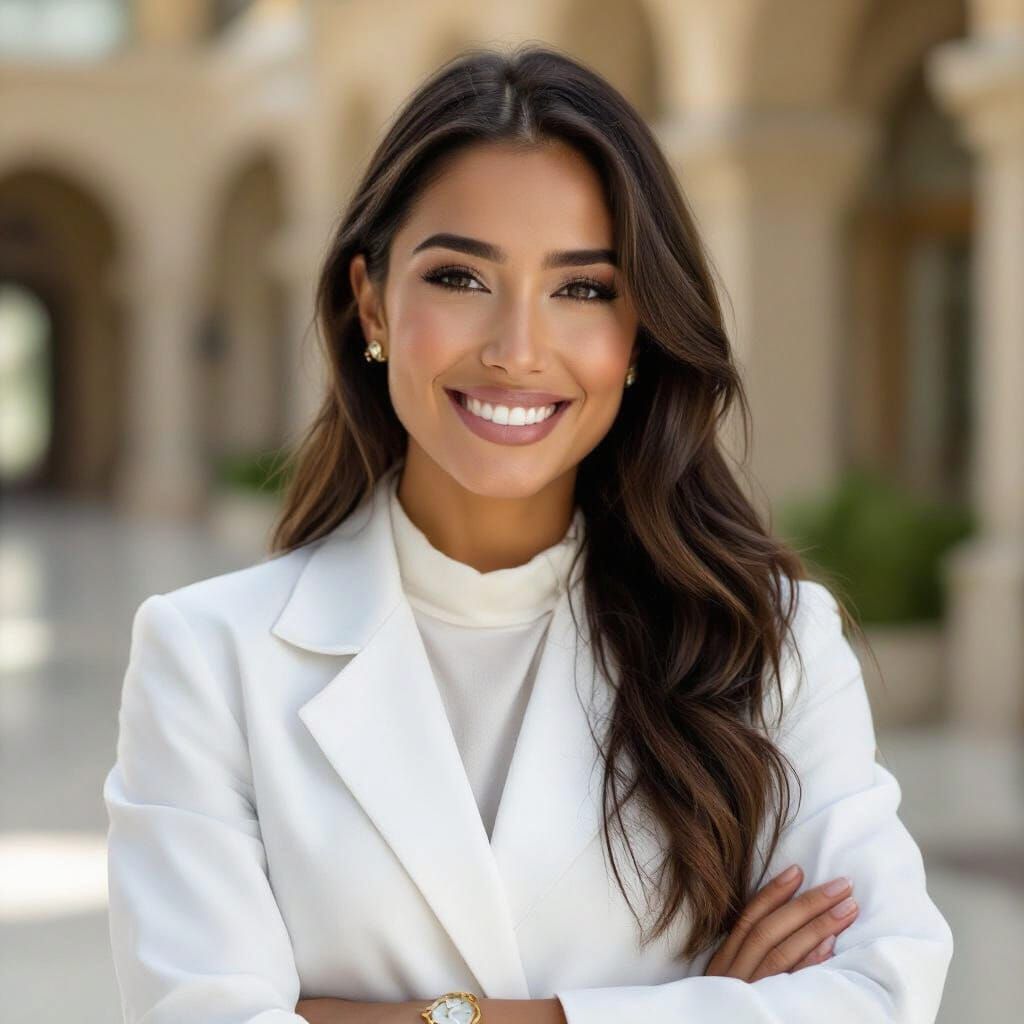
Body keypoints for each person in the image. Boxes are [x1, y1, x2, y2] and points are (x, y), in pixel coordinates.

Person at [103, 44, 953, 1024]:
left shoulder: (769, 641)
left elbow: (880, 993)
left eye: (582, 289)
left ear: (638, 332)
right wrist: (698, 1005)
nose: (516, 350)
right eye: (460, 277)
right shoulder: (207, 658)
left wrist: (438, 1017)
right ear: (372, 302)